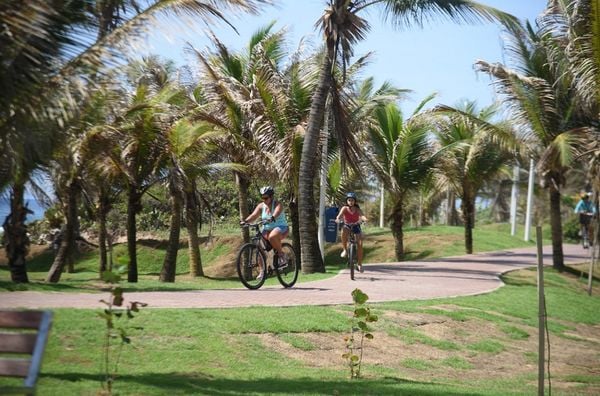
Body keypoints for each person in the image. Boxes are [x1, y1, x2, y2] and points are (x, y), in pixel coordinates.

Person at [241, 186, 289, 273]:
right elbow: (253, 215)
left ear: (271, 197)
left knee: (272, 236)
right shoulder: (261, 206)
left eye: (266, 198)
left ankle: (282, 256)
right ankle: (262, 271)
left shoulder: (278, 204)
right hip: (267, 230)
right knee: (259, 247)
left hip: (281, 228)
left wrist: (273, 217)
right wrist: (245, 221)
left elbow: (277, 212)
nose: (264, 200)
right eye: (262, 197)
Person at [335, 192, 367, 272]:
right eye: (349, 200)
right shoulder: (344, 208)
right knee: (343, 232)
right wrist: (338, 219)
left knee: (360, 244)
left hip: (356, 226)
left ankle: (359, 264)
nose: (351, 202)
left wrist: (365, 219)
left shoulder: (357, 209)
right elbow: (339, 216)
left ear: (355, 201)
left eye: (352, 200)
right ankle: (345, 250)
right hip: (347, 225)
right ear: (347, 201)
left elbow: (362, 216)